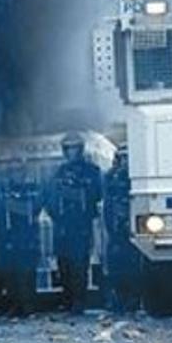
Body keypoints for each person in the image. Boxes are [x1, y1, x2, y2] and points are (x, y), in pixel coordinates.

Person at [50, 132, 103, 313]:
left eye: (74, 148)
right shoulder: (59, 172)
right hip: (62, 225)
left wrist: (80, 196)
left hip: (81, 225)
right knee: (63, 263)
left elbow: (98, 195)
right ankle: (67, 299)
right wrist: (56, 215)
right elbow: (49, 197)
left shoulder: (92, 171)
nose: (71, 152)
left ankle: (79, 302)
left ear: (81, 149)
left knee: (80, 264)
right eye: (68, 148)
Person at [0, 161, 41, 317]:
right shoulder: (3, 192)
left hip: (27, 237)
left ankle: (28, 307)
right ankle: (16, 305)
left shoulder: (32, 189)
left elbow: (36, 208)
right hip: (9, 237)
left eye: (19, 172)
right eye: (13, 172)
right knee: (11, 275)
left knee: (27, 274)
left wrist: (14, 205)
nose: (16, 175)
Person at [102, 145, 142, 312]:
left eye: (128, 158)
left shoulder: (137, 178)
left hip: (132, 228)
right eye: (122, 158)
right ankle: (118, 298)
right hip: (115, 229)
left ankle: (134, 299)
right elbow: (107, 203)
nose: (125, 162)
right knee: (116, 266)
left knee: (134, 267)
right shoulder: (111, 177)